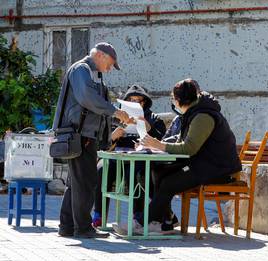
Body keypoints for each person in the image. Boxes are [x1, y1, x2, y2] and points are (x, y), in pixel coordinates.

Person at [114, 78, 242, 235]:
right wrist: (153, 144)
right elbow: (182, 139)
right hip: (203, 164)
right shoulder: (193, 112)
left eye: (173, 98)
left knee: (169, 183)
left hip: (218, 170)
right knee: (159, 171)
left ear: (181, 99)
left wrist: (159, 145)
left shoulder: (203, 117)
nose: (173, 102)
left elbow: (189, 148)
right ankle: (163, 222)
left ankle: (141, 223)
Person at [53, 42, 131, 238]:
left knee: (77, 183)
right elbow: (87, 98)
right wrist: (115, 112)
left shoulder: (92, 73)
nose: (110, 68)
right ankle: (84, 228)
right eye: (111, 63)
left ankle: (68, 226)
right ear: (101, 56)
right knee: (85, 182)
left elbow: (95, 103)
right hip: (80, 134)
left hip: (84, 135)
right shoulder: (82, 69)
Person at [92, 84, 166, 227]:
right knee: (102, 168)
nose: (135, 104)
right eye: (131, 100)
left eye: (139, 101)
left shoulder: (153, 118)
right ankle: (99, 214)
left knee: (133, 171)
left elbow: (163, 142)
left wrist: (149, 130)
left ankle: (138, 215)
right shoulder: (118, 118)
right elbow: (102, 143)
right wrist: (113, 136)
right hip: (117, 155)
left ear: (145, 102)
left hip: (140, 158)